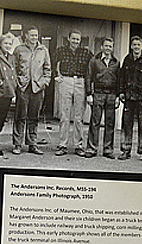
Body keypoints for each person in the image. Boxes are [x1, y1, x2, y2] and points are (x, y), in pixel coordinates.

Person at [12, 26, 52, 155]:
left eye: (36, 35)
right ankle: (17, 144)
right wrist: (18, 83)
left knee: (34, 117)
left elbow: (47, 69)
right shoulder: (19, 50)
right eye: (32, 35)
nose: (34, 38)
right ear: (26, 36)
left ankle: (32, 144)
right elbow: (14, 67)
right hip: (23, 87)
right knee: (20, 116)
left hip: (38, 88)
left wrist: (45, 82)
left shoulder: (43, 50)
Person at [54, 29, 93, 157]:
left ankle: (78, 145)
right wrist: (57, 75)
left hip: (80, 82)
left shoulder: (86, 53)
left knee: (78, 117)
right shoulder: (60, 50)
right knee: (64, 115)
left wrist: (90, 86)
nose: (75, 41)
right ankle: (62, 145)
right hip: (66, 81)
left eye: (77, 39)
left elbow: (93, 67)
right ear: (68, 38)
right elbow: (53, 63)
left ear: (80, 40)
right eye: (73, 38)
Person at [118, 35, 142, 162]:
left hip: (141, 99)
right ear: (131, 46)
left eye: (139, 44)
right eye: (134, 44)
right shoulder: (127, 59)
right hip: (129, 98)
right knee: (127, 125)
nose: (136, 47)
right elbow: (122, 77)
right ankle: (125, 150)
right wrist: (121, 92)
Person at [85, 37, 120, 159]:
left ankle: (108, 149)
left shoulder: (116, 62)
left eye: (110, 46)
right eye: (106, 46)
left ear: (112, 48)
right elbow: (88, 77)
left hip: (111, 95)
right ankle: (91, 148)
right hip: (98, 94)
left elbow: (119, 80)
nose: (108, 48)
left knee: (110, 123)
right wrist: (89, 94)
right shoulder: (94, 61)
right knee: (95, 122)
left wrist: (117, 96)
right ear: (102, 47)